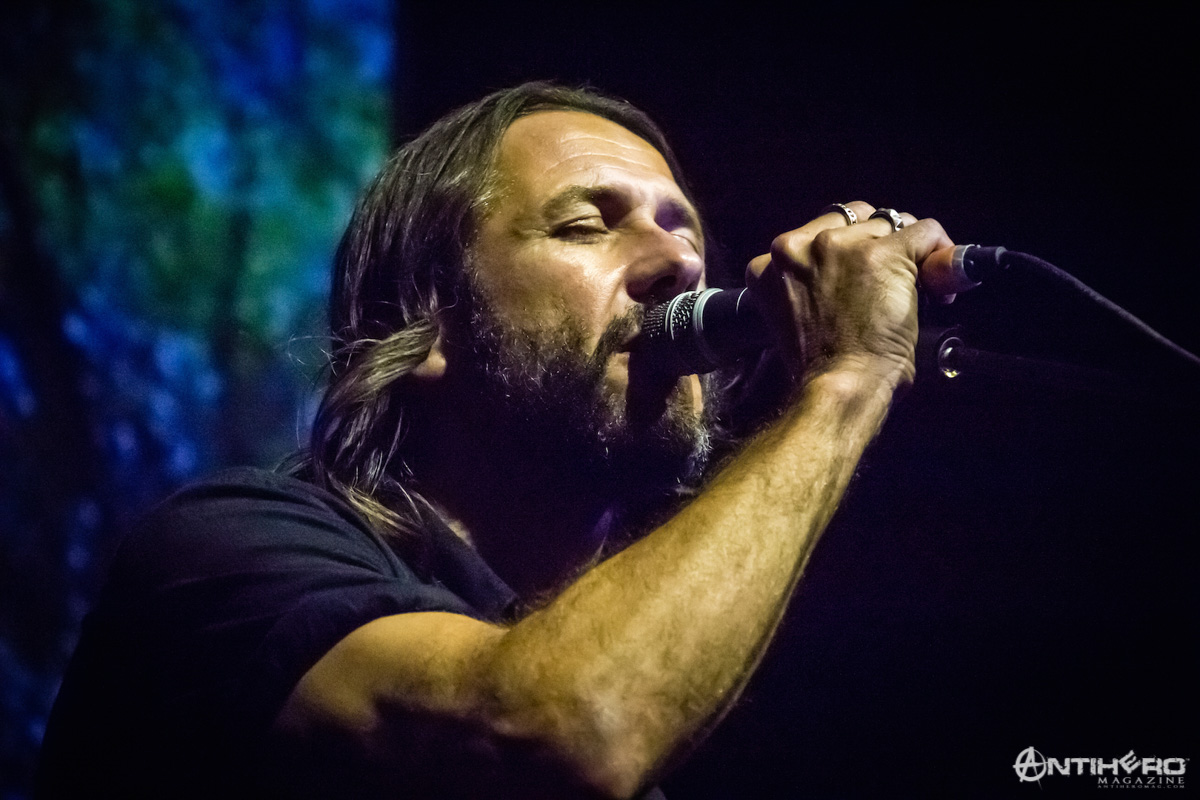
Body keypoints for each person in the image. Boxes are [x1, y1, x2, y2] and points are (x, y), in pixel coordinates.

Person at [36, 82, 954, 799]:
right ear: (429, 321)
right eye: (586, 225)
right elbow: (558, 734)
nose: (679, 263)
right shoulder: (220, 554)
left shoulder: (641, 681)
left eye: (685, 235)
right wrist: (847, 380)